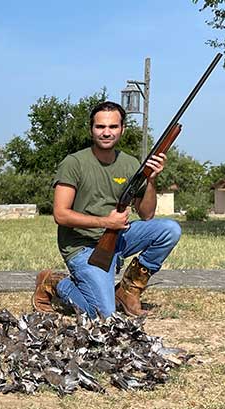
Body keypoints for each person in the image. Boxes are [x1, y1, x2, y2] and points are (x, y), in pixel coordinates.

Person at [33, 101, 181, 318]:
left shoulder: (131, 164)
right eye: (100, 127)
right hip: (82, 247)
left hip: (119, 236)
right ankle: (56, 283)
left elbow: (147, 214)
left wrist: (151, 180)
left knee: (170, 230)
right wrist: (106, 223)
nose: (106, 132)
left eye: (113, 127)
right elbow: (61, 214)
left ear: (122, 129)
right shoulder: (73, 163)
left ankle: (128, 290)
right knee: (103, 314)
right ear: (91, 129)